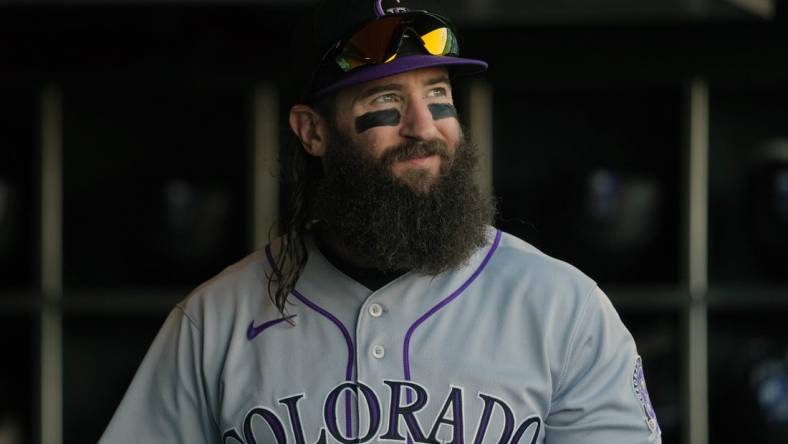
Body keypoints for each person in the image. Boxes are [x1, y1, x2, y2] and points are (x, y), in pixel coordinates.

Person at [100, 1, 662, 443]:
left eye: (438, 95)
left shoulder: (563, 307)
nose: (424, 127)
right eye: (386, 100)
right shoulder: (214, 321)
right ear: (313, 131)